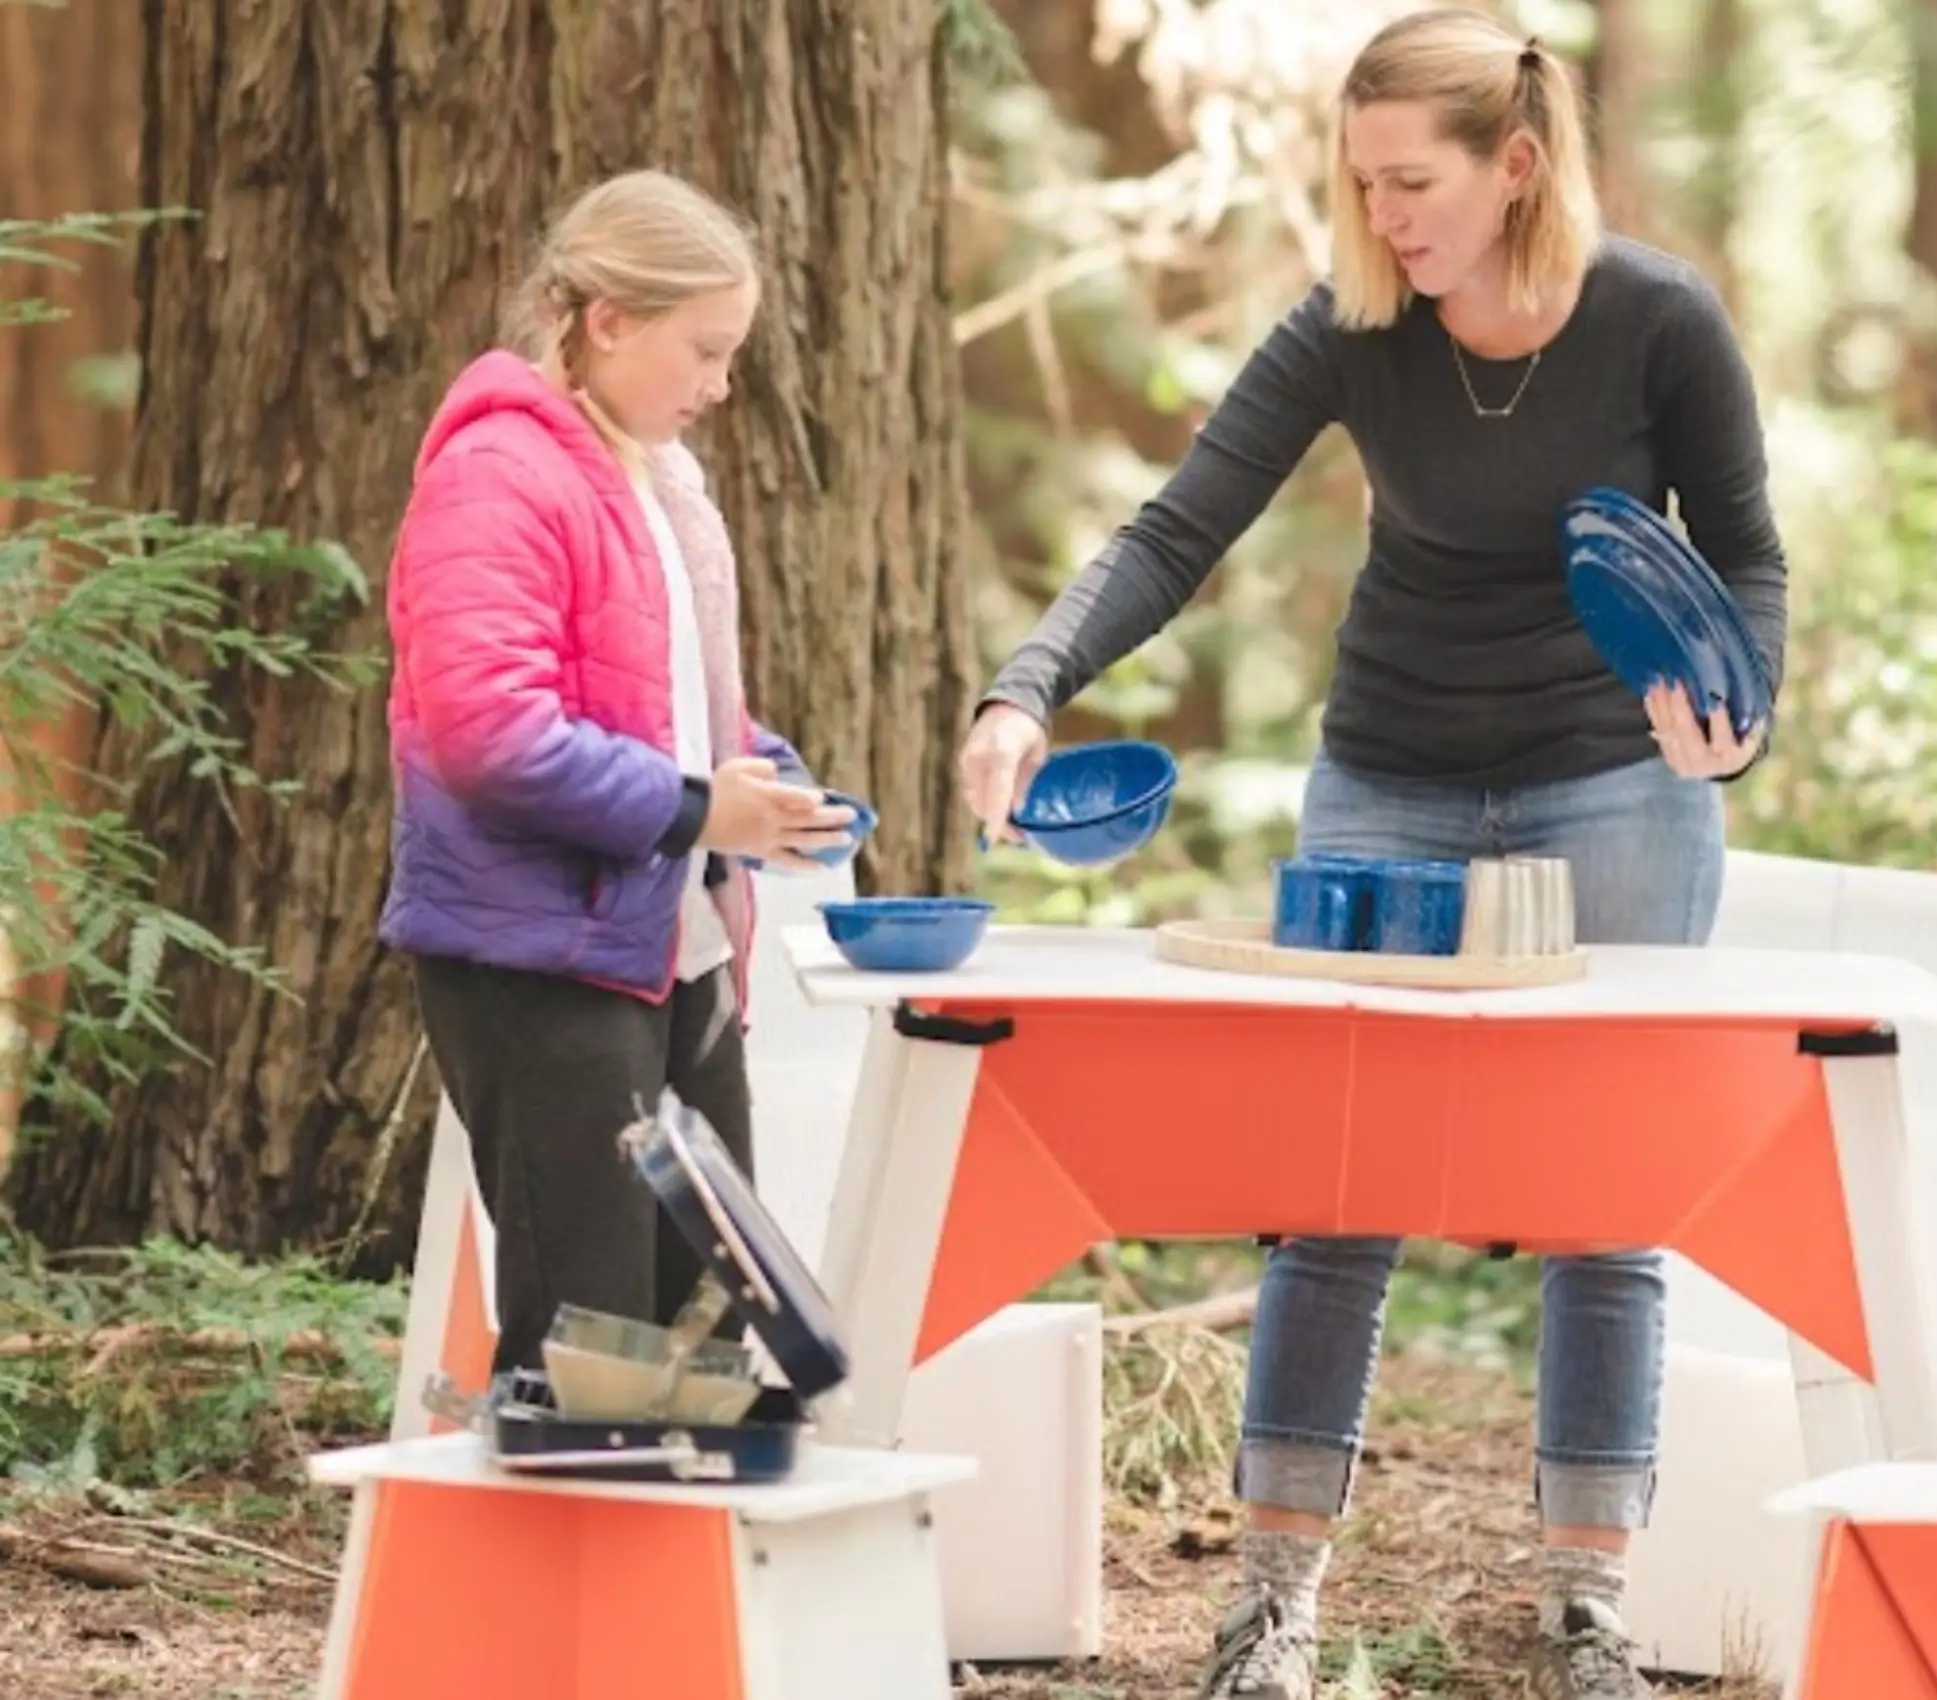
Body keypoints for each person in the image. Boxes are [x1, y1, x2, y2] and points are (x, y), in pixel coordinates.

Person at [958, 10, 1789, 1699]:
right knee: (1332, 1184)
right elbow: (1177, 524)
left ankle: (1583, 1606)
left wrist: (1738, 714)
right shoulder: (1352, 328)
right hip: (1391, 779)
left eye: (1415, 182)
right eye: (1364, 183)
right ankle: (1272, 1601)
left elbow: (1750, 560)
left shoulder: (1658, 323)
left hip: (1614, 784)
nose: (1388, 215)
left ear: (1517, 167)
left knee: (1605, 1197)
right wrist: (1026, 684)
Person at [378, 169, 856, 1378]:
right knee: (588, 1350)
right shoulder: (498, 474)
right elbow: (488, 731)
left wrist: (769, 785)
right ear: (606, 322)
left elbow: (679, 704)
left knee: (704, 1323)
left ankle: (666, 1569)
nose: (719, 383)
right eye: (704, 349)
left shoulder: (657, 479)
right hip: (543, 972)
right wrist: (700, 809)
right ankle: (537, 1570)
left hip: (675, 955)